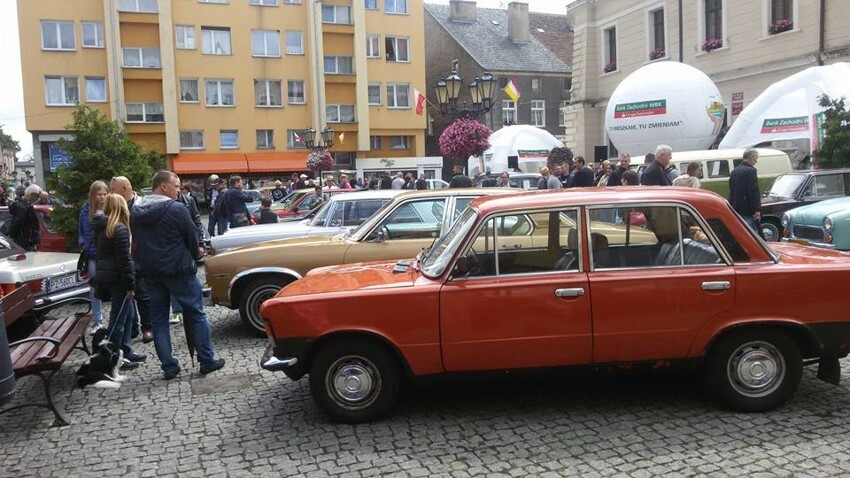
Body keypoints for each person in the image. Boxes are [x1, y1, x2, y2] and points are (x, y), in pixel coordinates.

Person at [131, 171, 225, 380]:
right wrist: (196, 252)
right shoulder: (176, 209)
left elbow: (137, 242)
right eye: (176, 185)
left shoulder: (136, 211)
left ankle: (169, 366)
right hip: (179, 270)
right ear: (164, 187)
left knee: (159, 321)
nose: (178, 189)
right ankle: (206, 360)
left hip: (152, 273)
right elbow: (192, 238)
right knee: (196, 313)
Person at [93, 194, 146, 371]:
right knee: (119, 320)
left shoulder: (103, 227)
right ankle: (115, 356)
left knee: (129, 315)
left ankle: (126, 350)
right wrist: (130, 286)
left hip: (108, 276)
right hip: (118, 279)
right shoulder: (119, 228)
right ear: (122, 207)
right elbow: (124, 260)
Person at [110, 176, 153, 343]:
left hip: (140, 253)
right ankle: (133, 326)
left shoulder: (141, 203)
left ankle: (148, 327)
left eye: (114, 189)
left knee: (142, 293)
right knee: (127, 293)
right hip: (123, 254)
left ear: (125, 187)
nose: (111, 193)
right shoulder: (114, 206)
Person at [78, 181, 108, 332]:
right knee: (93, 287)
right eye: (99, 194)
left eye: (104, 194)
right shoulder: (85, 210)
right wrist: (83, 243)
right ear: (93, 195)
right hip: (92, 254)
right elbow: (81, 232)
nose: (102, 197)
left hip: (107, 254)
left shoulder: (110, 208)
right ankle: (98, 320)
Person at [729, 148, 761, 232]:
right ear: (751, 157)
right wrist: (756, 209)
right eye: (755, 158)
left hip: (736, 207)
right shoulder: (751, 171)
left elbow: (732, 190)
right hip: (748, 209)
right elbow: (753, 191)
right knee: (752, 234)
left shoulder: (734, 171)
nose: (756, 161)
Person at [7, 184, 41, 251]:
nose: (37, 199)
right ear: (32, 194)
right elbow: (17, 221)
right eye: (37, 196)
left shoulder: (26, 206)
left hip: (26, 240)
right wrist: (10, 234)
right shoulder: (23, 207)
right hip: (23, 240)